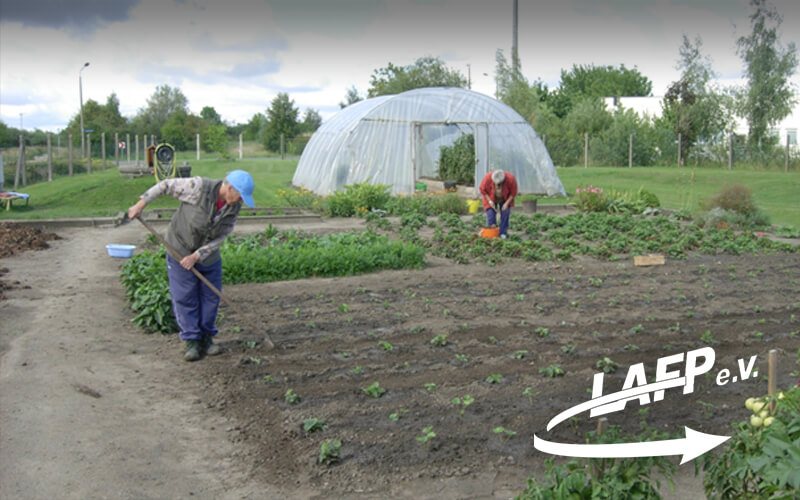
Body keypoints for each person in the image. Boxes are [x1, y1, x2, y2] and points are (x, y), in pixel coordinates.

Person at [127, 170, 255, 361]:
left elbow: (222, 235)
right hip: (179, 250)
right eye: (240, 197)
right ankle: (192, 341)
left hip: (207, 257)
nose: (241, 202)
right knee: (185, 296)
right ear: (229, 188)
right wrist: (140, 204)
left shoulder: (233, 207)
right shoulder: (198, 188)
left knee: (210, 297)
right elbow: (165, 185)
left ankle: (207, 338)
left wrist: (197, 255)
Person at [479, 169, 518, 238]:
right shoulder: (487, 177)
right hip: (490, 197)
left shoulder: (510, 178)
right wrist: (490, 201)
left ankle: (503, 233)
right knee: (490, 213)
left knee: (505, 213)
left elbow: (513, 193)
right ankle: (491, 233)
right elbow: (482, 189)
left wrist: (506, 204)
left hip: (505, 198)